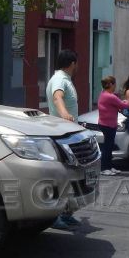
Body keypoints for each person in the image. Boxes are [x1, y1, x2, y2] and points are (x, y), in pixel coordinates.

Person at [45, 49, 82, 229]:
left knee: (72, 176)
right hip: (62, 135)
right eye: (77, 63)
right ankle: (56, 215)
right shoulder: (60, 79)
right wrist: (65, 115)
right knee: (64, 176)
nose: (78, 67)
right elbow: (57, 97)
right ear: (72, 63)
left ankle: (66, 213)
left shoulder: (64, 79)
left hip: (69, 133)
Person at [97, 76, 129, 175]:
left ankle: (109, 166)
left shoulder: (103, 94)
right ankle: (104, 168)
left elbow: (116, 104)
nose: (115, 86)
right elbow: (123, 105)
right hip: (108, 125)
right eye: (114, 84)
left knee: (109, 147)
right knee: (107, 147)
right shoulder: (110, 96)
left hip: (107, 123)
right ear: (110, 84)